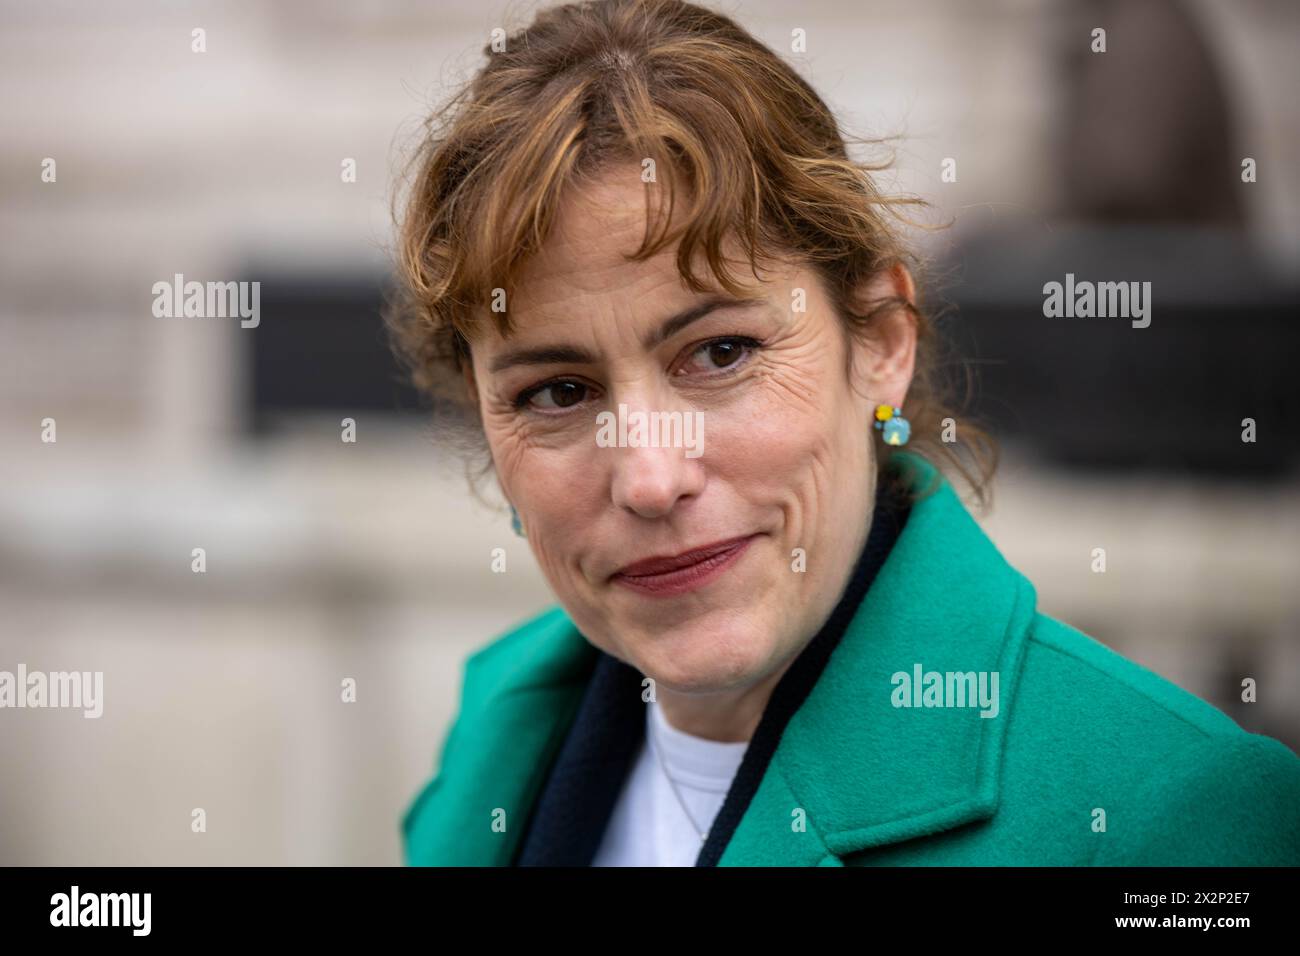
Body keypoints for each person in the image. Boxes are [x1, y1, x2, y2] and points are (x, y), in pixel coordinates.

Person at [388, 0, 1300, 866]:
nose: (650, 479)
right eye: (557, 393)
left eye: (720, 354)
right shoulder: (492, 739)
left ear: (881, 347)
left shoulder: (1173, 807)